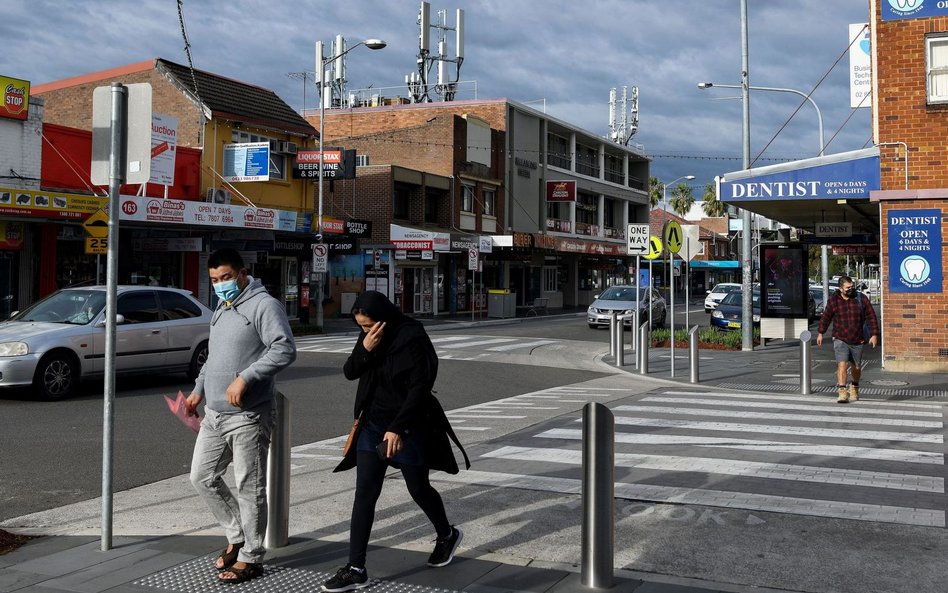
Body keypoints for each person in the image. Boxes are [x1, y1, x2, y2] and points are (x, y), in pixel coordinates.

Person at [323, 291, 470, 593]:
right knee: (365, 493)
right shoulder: (370, 337)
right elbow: (351, 371)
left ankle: (447, 534)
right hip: (372, 425)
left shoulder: (412, 336)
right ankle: (355, 567)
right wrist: (364, 347)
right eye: (361, 327)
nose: (366, 330)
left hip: (408, 426)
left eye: (368, 325)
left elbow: (420, 387)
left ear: (384, 317)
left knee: (418, 488)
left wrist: (399, 429)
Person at [185, 248, 297, 584]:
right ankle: (237, 537)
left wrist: (246, 377)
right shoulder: (222, 307)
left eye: (226, 278)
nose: (220, 285)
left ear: (242, 273)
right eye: (215, 280)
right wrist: (197, 390)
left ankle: (251, 557)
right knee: (201, 477)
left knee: (250, 486)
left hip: (248, 415)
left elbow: (284, 348)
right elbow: (213, 358)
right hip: (214, 414)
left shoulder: (264, 305)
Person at [816, 275, 879, 404]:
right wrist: (821, 333)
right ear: (840, 288)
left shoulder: (861, 298)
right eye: (848, 287)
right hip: (840, 338)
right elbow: (826, 317)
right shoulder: (834, 301)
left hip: (858, 338)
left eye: (852, 286)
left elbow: (871, 316)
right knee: (842, 364)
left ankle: (854, 386)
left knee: (856, 367)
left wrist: (874, 334)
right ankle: (842, 392)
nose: (851, 289)